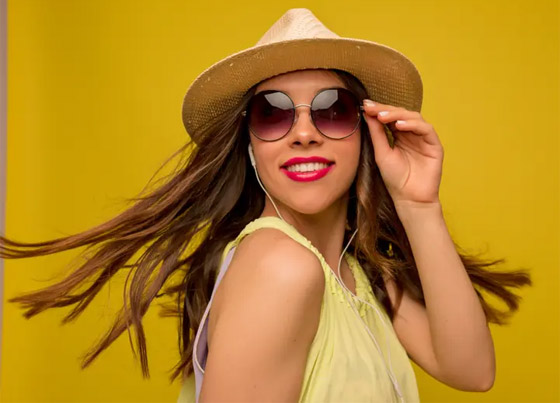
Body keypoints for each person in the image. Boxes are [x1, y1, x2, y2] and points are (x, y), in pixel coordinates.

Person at [1, 8, 532, 403]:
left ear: (367, 135)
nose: (303, 133)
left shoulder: (353, 271)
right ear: (251, 145)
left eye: (333, 110)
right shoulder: (282, 268)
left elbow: (472, 371)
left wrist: (419, 204)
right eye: (273, 113)